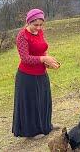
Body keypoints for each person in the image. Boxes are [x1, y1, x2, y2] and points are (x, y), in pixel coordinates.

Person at [12, 8, 60, 139]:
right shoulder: (22, 35)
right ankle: (31, 132)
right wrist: (43, 59)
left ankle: (46, 125)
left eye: (40, 25)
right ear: (28, 22)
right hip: (27, 76)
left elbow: (41, 50)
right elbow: (25, 58)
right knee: (32, 104)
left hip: (41, 73)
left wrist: (47, 62)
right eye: (35, 25)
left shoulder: (40, 32)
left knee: (43, 101)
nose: (38, 28)